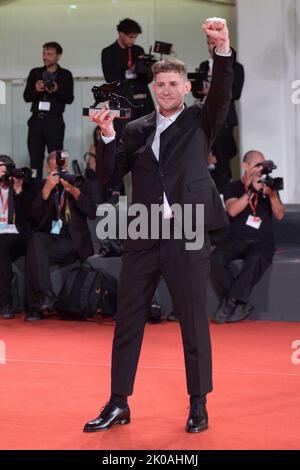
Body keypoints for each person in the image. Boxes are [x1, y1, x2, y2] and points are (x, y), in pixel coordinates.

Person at [83, 18, 234, 434]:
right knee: (127, 319)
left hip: (187, 231)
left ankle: (198, 403)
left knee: (191, 320)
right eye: (160, 84)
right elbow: (110, 180)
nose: (165, 90)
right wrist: (109, 136)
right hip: (143, 233)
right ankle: (118, 403)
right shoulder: (136, 130)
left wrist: (221, 50)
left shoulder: (202, 121)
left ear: (186, 88)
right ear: (153, 89)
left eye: (173, 84)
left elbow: (222, 92)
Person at [210, 150, 285, 324]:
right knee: (215, 259)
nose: (260, 169)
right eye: (257, 165)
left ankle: (230, 302)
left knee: (258, 258)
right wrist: (251, 191)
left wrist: (272, 195)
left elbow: (280, 215)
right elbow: (232, 210)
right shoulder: (233, 186)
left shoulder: (268, 186)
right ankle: (240, 303)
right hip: (235, 239)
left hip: (261, 241)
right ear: (245, 166)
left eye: (263, 165)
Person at [25, 150, 96, 321]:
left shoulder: (79, 183)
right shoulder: (42, 186)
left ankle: (35, 307)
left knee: (33, 255)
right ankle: (45, 295)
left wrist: (73, 191)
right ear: (48, 170)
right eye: (54, 171)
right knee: (34, 244)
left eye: (62, 168)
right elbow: (33, 216)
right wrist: (47, 190)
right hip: (53, 241)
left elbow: (92, 212)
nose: (59, 173)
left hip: (74, 243)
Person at [193, 37, 244, 193]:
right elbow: (196, 91)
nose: (210, 47)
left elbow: (235, 92)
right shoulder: (204, 65)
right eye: (208, 44)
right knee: (203, 154)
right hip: (204, 115)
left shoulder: (235, 67)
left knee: (223, 154)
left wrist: (213, 90)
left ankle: (224, 193)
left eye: (213, 44)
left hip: (224, 118)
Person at [23, 42, 74, 179]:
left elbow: (69, 98)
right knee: (35, 159)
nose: (45, 57)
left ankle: (56, 188)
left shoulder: (65, 75)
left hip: (54, 120)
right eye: (44, 54)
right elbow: (26, 97)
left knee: (56, 159)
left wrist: (56, 90)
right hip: (36, 120)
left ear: (58, 56)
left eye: (49, 54)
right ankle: (34, 191)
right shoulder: (35, 73)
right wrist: (35, 90)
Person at [0, 155, 36, 319]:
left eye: (5, 168)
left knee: (34, 244)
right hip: (2, 238)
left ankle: (33, 306)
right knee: (2, 247)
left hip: (18, 235)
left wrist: (18, 189)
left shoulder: (22, 188)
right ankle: (5, 303)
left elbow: (28, 215)